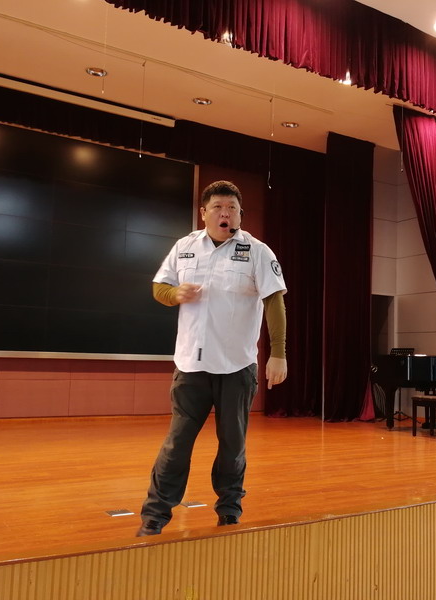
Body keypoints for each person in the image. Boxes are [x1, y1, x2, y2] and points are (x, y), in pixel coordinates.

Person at [137, 180, 287, 536]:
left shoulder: (258, 251)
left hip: (237, 368)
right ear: (203, 213)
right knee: (176, 444)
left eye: (232, 208)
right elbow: (159, 286)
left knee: (232, 446)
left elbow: (274, 300)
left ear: (240, 214)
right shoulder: (185, 247)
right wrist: (175, 294)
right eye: (218, 207)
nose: (225, 213)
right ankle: (155, 515)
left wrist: (278, 353)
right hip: (191, 366)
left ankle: (229, 510)